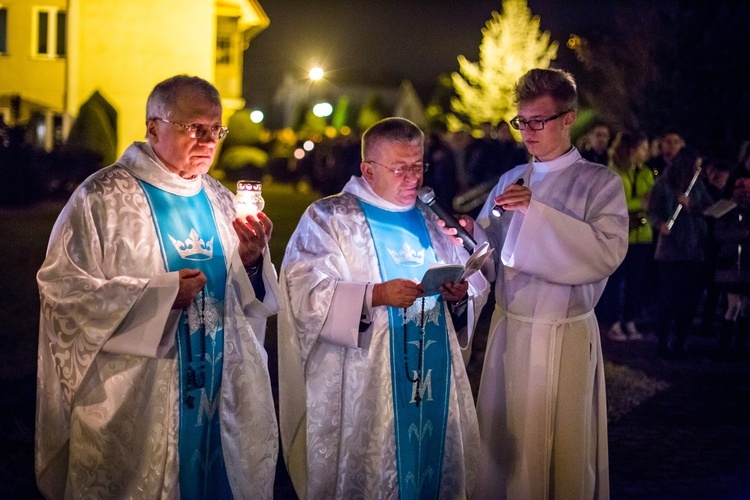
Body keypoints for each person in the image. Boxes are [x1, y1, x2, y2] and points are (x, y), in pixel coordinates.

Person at [35, 75, 281, 498]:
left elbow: (249, 299)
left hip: (220, 389)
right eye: (194, 128)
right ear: (153, 127)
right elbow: (63, 294)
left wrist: (252, 259)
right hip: (141, 396)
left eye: (215, 129)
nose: (207, 140)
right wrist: (160, 297)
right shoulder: (102, 197)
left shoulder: (221, 198)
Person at [277, 117, 490, 498]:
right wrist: (374, 295)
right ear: (367, 169)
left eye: (418, 166)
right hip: (367, 388)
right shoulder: (330, 218)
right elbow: (304, 293)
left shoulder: (432, 217)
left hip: (433, 377)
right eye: (400, 168)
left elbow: (472, 279)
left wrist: (460, 295)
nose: (413, 178)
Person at [471, 68, 628, 499]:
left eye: (538, 121)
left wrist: (535, 214)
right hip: (512, 331)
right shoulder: (509, 180)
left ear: (567, 118)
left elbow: (606, 252)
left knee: (564, 455)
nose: (527, 131)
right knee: (508, 451)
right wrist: (464, 260)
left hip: (567, 334)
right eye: (521, 121)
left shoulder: (599, 183)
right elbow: (487, 255)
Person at [647, 147, 712, 358]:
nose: (699, 171)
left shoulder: (698, 185)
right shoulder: (663, 185)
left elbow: (709, 208)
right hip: (670, 252)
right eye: (696, 166)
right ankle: (663, 343)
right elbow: (652, 212)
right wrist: (660, 225)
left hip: (693, 250)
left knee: (689, 301)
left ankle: (680, 343)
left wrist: (691, 205)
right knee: (668, 300)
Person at [599, 131, 655, 341]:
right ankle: (613, 322)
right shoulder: (612, 173)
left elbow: (652, 203)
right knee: (616, 281)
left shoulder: (647, 173)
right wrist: (640, 204)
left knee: (636, 282)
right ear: (631, 149)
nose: (646, 152)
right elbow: (614, 203)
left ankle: (629, 320)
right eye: (643, 147)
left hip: (642, 235)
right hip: (620, 236)